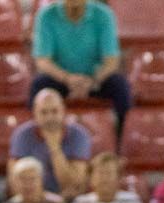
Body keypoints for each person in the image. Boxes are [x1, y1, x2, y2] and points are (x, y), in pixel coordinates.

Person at [30, 0, 130, 129]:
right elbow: (42, 61)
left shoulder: (104, 14)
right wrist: (67, 78)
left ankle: (121, 141)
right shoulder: (46, 16)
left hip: (95, 80)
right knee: (39, 86)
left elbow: (112, 60)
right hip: (60, 79)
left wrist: (92, 81)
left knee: (120, 86)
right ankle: (35, 138)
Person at [8, 88, 90, 199]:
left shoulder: (79, 134)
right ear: (35, 113)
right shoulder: (22, 134)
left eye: (54, 111)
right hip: (33, 200)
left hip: (69, 201)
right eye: (44, 112)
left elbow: (74, 184)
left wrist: (54, 147)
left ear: (63, 111)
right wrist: (45, 201)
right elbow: (15, 182)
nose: (49, 118)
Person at [67, 152, 142, 203]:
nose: (104, 178)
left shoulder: (130, 200)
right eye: (100, 173)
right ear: (91, 179)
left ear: (119, 178)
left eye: (109, 173)